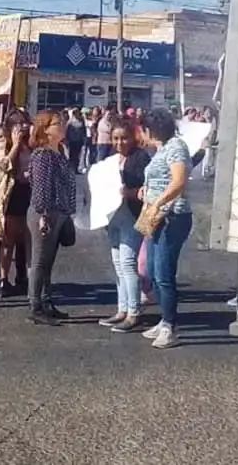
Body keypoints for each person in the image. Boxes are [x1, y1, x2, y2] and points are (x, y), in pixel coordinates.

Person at [140, 107, 195, 350]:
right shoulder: (162, 148)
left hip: (172, 215)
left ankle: (170, 325)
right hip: (154, 214)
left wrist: (159, 201)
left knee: (163, 273)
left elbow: (179, 181)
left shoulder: (176, 147)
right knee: (152, 269)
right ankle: (164, 319)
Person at [97, 120, 151, 333]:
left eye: (124, 137)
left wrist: (129, 191)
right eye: (116, 138)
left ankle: (134, 312)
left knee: (129, 264)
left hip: (132, 216)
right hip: (113, 217)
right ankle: (122, 309)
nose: (120, 142)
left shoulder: (141, 157)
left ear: (133, 137)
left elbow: (146, 187)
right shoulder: (110, 160)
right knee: (118, 264)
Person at [28, 109, 77, 326]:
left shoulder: (59, 152)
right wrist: (43, 214)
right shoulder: (42, 155)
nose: (63, 125)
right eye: (58, 123)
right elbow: (41, 188)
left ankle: (47, 302)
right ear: (45, 130)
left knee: (48, 262)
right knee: (39, 262)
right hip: (45, 213)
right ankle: (35, 306)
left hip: (59, 212)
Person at [0, 110, 32, 297]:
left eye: (25, 123)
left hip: (28, 191)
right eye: (19, 123)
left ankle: (23, 278)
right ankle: (2, 279)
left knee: (26, 238)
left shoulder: (31, 144)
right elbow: (4, 165)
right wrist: (14, 145)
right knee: (8, 240)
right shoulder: (2, 144)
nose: (23, 127)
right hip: (10, 193)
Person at [66, 108, 87, 173]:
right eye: (76, 113)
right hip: (72, 140)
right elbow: (67, 131)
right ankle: (71, 169)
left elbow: (84, 131)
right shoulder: (70, 122)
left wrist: (84, 139)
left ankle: (76, 168)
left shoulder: (81, 121)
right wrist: (67, 139)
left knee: (78, 155)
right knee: (72, 155)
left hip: (79, 140)